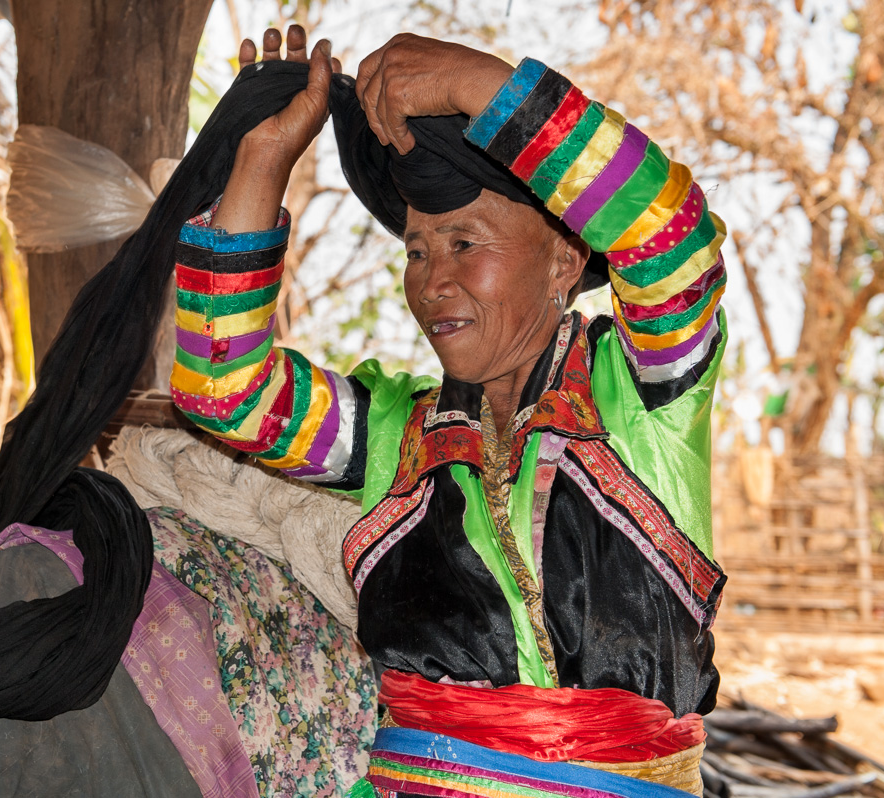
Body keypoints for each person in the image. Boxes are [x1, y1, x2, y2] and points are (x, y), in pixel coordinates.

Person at [170, 25, 728, 798]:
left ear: (566, 258)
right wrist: (264, 157)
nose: (431, 283)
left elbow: (672, 241)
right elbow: (224, 390)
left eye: (465, 242)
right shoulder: (398, 435)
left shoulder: (641, 399)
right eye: (417, 250)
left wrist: (486, 88)